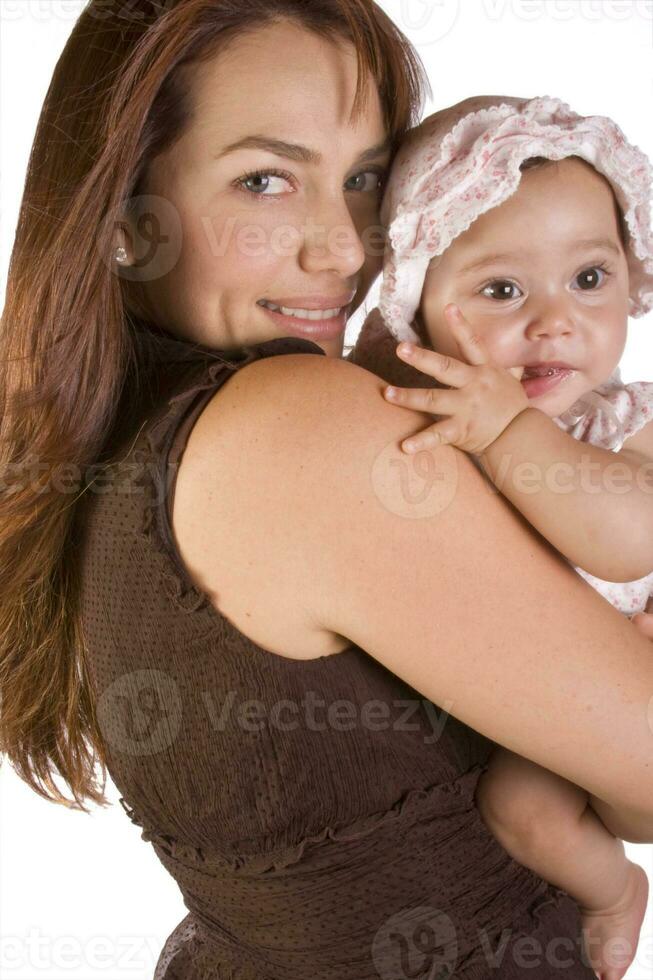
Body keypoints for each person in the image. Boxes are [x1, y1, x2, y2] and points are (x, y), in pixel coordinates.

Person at [1, 4, 653, 979]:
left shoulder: (129, 446)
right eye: (265, 179)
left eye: (362, 182)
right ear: (127, 222)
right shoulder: (298, 425)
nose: (343, 250)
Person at [349, 94, 653, 980]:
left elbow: (627, 540)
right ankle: (613, 889)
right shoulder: (440, 435)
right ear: (417, 311)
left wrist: (510, 432)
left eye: (589, 279)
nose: (555, 321)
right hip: (545, 728)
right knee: (518, 813)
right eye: (501, 289)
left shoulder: (629, 424)